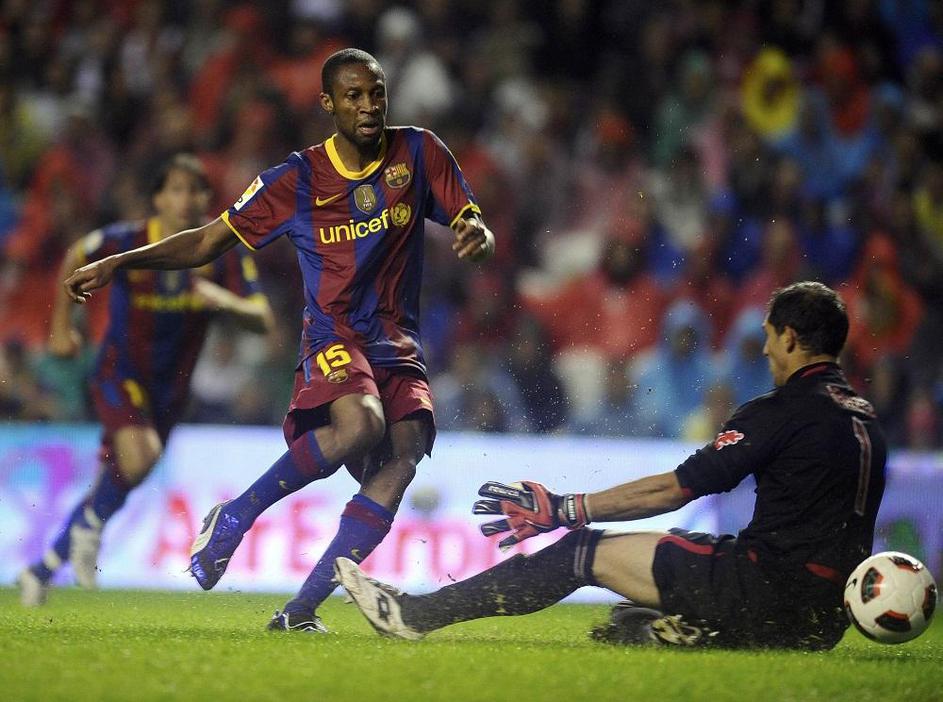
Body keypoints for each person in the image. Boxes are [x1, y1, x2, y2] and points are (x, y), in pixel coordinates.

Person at [63, 48, 495, 632]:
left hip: (398, 341)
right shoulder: (296, 179)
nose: (368, 106)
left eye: (376, 94)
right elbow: (206, 241)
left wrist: (477, 234)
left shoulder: (419, 151)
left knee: (405, 453)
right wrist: (119, 262)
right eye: (353, 96)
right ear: (328, 103)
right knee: (361, 424)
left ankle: (298, 611)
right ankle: (235, 516)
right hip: (335, 333)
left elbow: (472, 222)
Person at [335, 282, 887, 650]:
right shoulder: (865, 419)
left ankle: (414, 616)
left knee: (582, 551)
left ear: (789, 337)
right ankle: (701, 632)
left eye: (768, 337)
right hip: (825, 618)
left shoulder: (781, 411)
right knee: (663, 575)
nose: (765, 351)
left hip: (765, 587)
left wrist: (567, 509)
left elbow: (676, 488)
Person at [18, 153, 273, 606]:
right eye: (176, 189)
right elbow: (78, 253)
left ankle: (43, 568)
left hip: (172, 389)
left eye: (196, 190)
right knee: (141, 457)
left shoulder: (222, 252)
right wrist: (61, 328)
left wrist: (223, 300)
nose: (186, 199)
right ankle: (89, 528)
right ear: (158, 199)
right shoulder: (128, 241)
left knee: (123, 478)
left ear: (207, 199)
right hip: (120, 371)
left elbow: (262, 318)